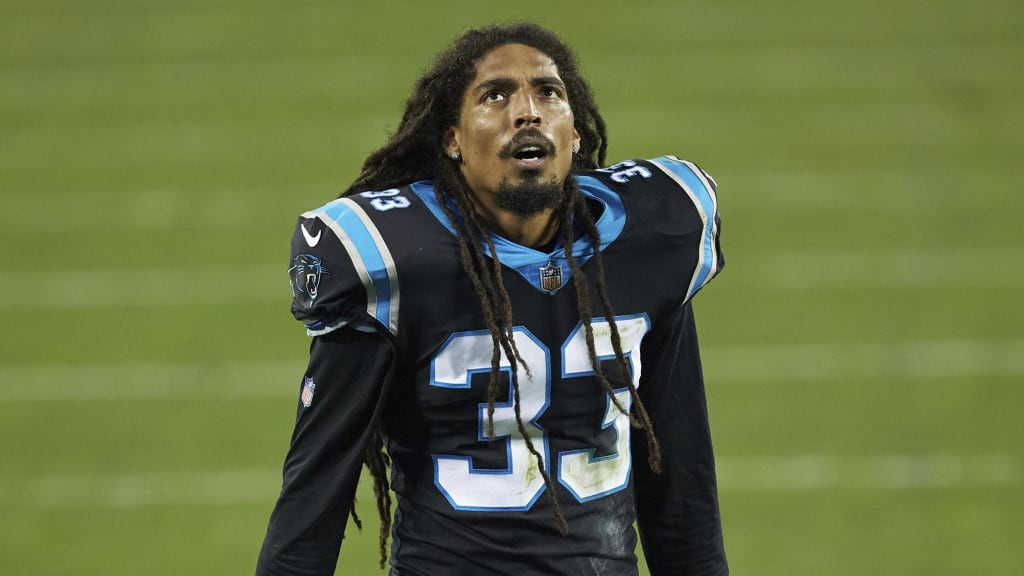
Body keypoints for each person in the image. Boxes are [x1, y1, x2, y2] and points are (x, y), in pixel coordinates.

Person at [256, 22, 728, 576]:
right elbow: (313, 501)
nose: (527, 111)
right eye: (495, 95)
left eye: (549, 92)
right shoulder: (395, 261)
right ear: (451, 138)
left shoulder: (647, 241)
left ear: (575, 134)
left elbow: (680, 485)